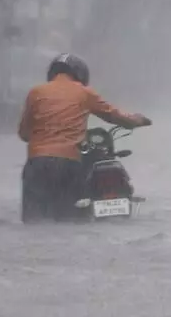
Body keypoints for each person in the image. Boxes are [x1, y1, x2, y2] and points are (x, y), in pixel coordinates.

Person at [18, 54, 151, 223]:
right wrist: (137, 120)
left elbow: (23, 133)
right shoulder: (84, 92)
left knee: (34, 223)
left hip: (36, 165)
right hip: (68, 164)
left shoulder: (35, 93)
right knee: (69, 222)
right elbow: (114, 115)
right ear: (80, 74)